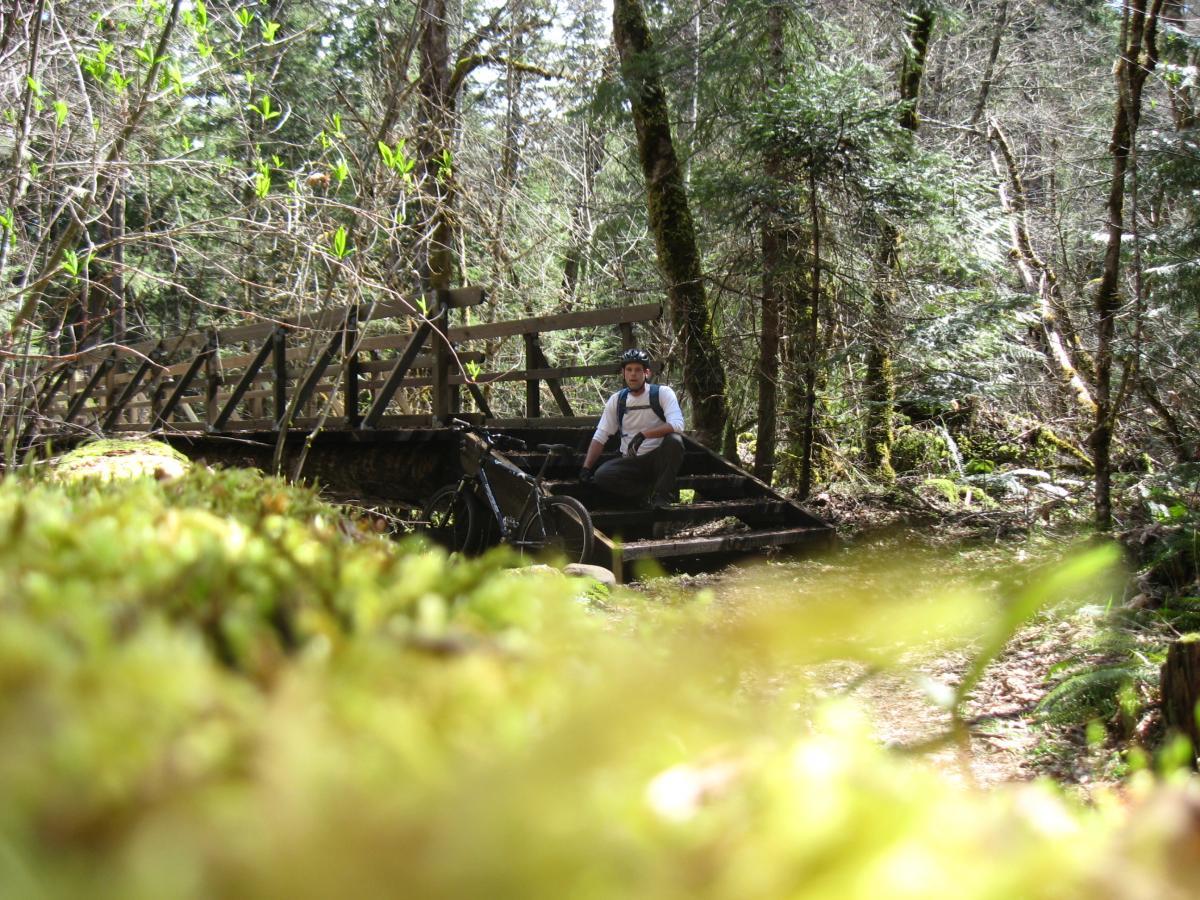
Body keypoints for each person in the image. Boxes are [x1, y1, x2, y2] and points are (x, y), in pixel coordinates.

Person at [578, 348, 685, 509]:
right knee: (601, 475)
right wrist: (586, 468)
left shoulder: (662, 393)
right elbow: (601, 436)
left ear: (647, 373)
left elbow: (678, 424)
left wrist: (644, 435)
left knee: (675, 440)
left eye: (637, 370)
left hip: (658, 458)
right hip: (631, 461)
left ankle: (661, 496)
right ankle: (643, 495)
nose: (633, 374)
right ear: (623, 373)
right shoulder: (617, 400)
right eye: (629, 370)